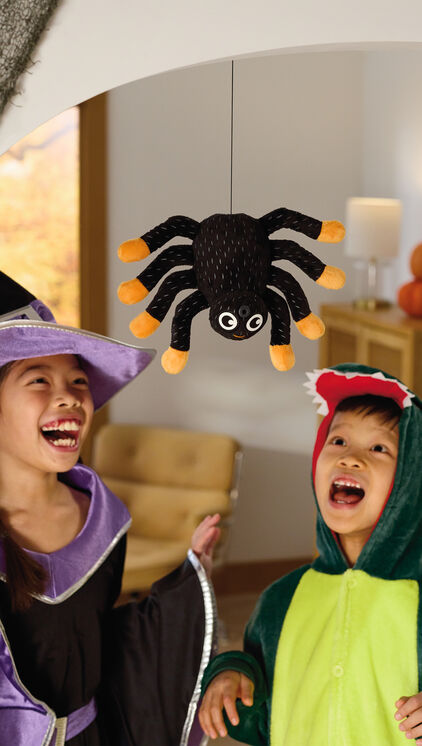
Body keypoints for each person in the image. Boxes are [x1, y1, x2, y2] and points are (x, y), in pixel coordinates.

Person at [0, 271, 220, 746]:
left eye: (78, 380)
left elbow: (107, 644)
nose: (70, 396)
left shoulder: (103, 521)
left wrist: (187, 582)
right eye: (38, 380)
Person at [199, 363, 422, 745]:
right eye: (338, 442)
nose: (350, 458)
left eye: (379, 448)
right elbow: (256, 715)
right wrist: (230, 675)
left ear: (410, 480)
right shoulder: (279, 602)